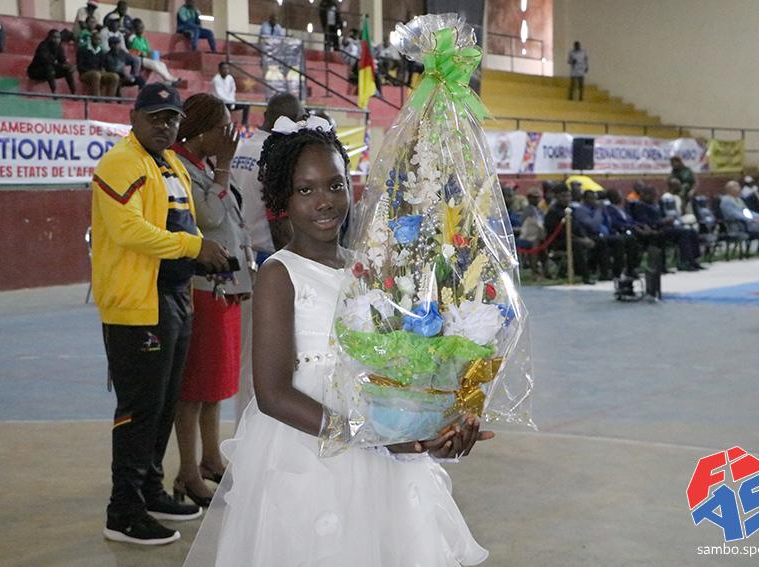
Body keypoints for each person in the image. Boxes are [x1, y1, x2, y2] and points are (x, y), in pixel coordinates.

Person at [183, 116, 492, 567]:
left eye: (334, 185)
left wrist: (443, 421)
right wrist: (371, 437)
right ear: (282, 199)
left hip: (381, 449)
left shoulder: (370, 270)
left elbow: (403, 367)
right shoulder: (279, 273)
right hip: (313, 452)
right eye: (305, 190)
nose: (324, 201)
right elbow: (272, 394)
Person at [92, 83, 230, 545]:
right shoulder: (120, 163)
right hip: (136, 305)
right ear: (134, 118)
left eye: (172, 118)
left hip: (173, 298)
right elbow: (129, 230)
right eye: (155, 117)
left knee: (164, 405)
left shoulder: (169, 163)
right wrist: (193, 247)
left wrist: (202, 255)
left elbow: (184, 221)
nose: (165, 126)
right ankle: (123, 512)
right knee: (139, 410)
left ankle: (150, 490)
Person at [171, 93, 255, 508]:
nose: (228, 135)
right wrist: (223, 166)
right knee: (194, 387)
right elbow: (210, 217)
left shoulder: (204, 166)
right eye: (222, 127)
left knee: (216, 384)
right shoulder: (181, 167)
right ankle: (187, 471)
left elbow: (233, 219)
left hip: (227, 287)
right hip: (203, 289)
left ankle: (210, 458)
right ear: (201, 130)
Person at [231, 92, 305, 266]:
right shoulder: (276, 157)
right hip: (267, 255)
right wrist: (292, 265)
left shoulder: (242, 148)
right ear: (296, 122)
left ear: (266, 115)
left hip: (240, 248)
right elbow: (279, 223)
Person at [632, 185, 703, 270]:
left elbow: (662, 216)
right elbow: (646, 222)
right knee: (684, 232)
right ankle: (685, 262)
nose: (655, 197)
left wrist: (667, 220)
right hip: (656, 230)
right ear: (646, 195)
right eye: (653, 195)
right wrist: (663, 221)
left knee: (692, 231)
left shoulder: (655, 204)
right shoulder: (640, 206)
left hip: (666, 227)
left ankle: (693, 260)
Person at [544, 183, 596, 284]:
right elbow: (561, 233)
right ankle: (585, 276)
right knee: (577, 245)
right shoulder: (553, 212)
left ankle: (604, 273)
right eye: (563, 196)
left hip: (574, 238)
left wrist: (585, 237)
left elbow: (578, 227)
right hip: (558, 241)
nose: (566, 199)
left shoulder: (571, 209)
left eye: (568, 196)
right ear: (557, 197)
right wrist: (581, 240)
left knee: (599, 241)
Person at [720, 181, 759, 258]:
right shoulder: (726, 201)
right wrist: (752, 220)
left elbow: (747, 212)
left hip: (749, 223)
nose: (739, 188)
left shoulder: (739, 199)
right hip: (739, 224)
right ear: (728, 189)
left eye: (738, 186)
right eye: (736, 186)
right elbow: (734, 215)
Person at [129, 19, 180, 85]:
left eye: (142, 27)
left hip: (146, 57)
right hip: (139, 59)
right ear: (135, 29)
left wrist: (151, 55)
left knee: (162, 64)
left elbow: (148, 50)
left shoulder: (143, 39)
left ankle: (170, 79)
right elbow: (135, 50)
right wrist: (146, 54)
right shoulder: (133, 38)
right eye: (139, 28)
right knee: (155, 64)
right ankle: (168, 78)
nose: (142, 29)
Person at [27, 29, 76, 94]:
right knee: (49, 68)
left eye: (58, 38)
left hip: (49, 71)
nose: (57, 40)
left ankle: (74, 93)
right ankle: (54, 93)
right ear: (49, 38)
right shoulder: (43, 45)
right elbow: (46, 60)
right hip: (36, 71)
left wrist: (67, 66)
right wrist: (59, 64)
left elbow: (63, 60)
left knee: (67, 70)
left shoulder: (59, 47)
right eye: (54, 37)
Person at [77, 31, 119, 97]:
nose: (98, 41)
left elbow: (102, 65)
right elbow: (80, 66)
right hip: (85, 73)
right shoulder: (82, 49)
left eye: (99, 39)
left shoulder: (101, 52)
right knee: (96, 75)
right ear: (91, 39)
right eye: (96, 39)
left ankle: (110, 99)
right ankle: (97, 99)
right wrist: (93, 71)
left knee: (115, 76)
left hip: (98, 73)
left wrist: (102, 70)